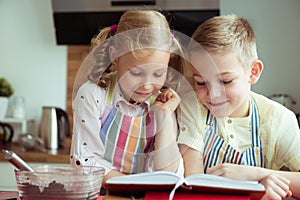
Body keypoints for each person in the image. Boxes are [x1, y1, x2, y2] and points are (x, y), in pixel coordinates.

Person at [177, 14, 300, 199]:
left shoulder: (278, 118)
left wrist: (256, 175)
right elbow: (194, 180)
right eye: (201, 82)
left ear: (253, 72)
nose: (213, 94)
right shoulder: (192, 105)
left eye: (225, 81)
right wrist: (255, 187)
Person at [70, 10, 187, 187]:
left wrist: (164, 116)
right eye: (136, 73)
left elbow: (170, 175)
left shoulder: (164, 101)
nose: (147, 85)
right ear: (115, 57)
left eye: (158, 73)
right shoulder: (94, 94)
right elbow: (85, 161)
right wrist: (130, 185)